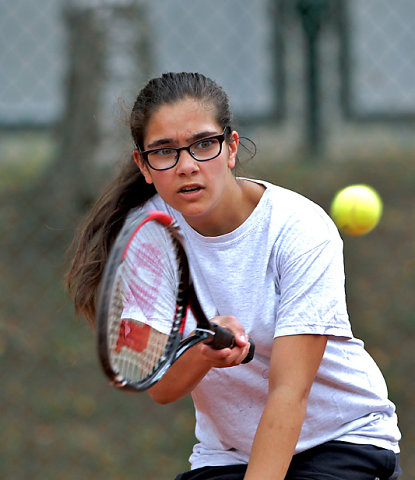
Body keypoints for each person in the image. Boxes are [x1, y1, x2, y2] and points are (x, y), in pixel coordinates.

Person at [66, 72, 401, 479]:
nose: (186, 165)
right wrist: (203, 353)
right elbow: (162, 387)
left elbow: (289, 392)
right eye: (164, 151)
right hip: (227, 454)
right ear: (144, 165)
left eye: (203, 144)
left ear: (231, 148)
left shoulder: (299, 229)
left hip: (343, 440)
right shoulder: (147, 235)